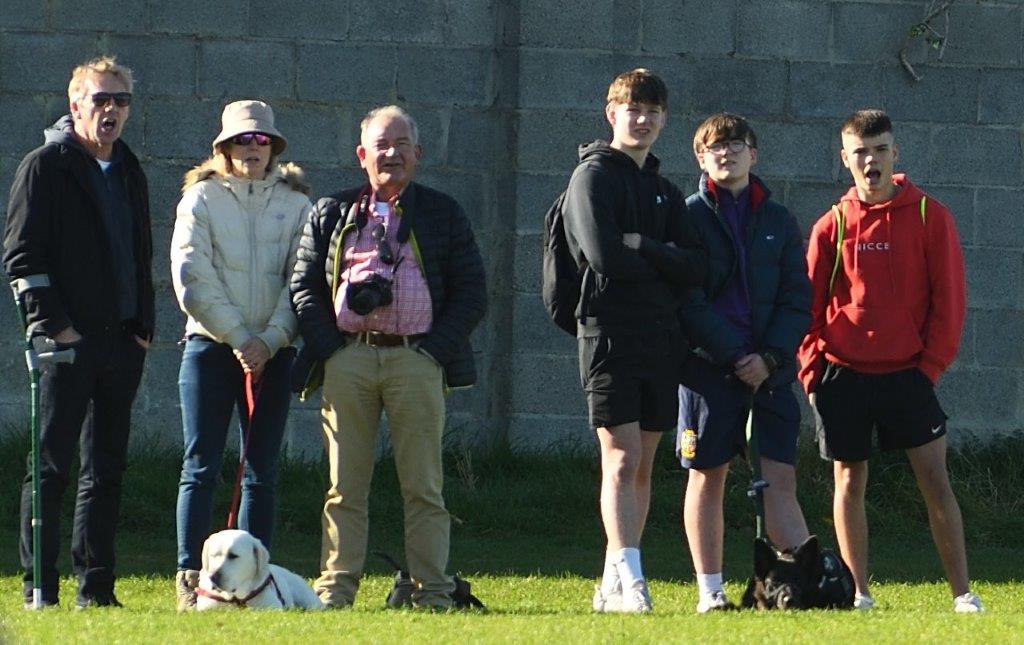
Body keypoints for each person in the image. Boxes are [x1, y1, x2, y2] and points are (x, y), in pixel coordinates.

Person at [290, 105, 486, 609]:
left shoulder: (443, 212)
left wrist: (433, 352)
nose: (391, 153)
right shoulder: (332, 211)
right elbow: (305, 286)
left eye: (402, 145)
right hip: (348, 357)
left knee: (423, 486)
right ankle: (335, 591)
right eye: (381, 144)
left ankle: (434, 592)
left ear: (418, 155)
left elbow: (472, 293)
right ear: (362, 155)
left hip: (414, 358)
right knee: (343, 487)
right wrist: (331, 350)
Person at [798, 109, 983, 613]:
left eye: (880, 149)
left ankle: (963, 594)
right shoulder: (831, 224)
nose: (870, 160)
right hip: (843, 374)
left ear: (895, 153)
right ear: (845, 159)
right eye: (860, 151)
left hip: (909, 375)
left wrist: (929, 369)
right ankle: (859, 594)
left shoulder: (929, 215)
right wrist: (813, 372)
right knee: (848, 481)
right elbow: (806, 309)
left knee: (935, 482)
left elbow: (950, 301)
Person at [3, 56, 154, 609]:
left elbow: (141, 255)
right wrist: (55, 328)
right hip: (64, 347)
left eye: (120, 100)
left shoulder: (131, 169)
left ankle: (97, 589)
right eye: (100, 99)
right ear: (75, 106)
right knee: (50, 466)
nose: (110, 110)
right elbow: (20, 257)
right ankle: (38, 587)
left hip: (122, 344)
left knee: (106, 470)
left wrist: (144, 328)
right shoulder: (46, 166)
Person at [561, 69, 706, 613]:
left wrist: (645, 245)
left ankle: (610, 583)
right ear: (611, 113)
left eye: (652, 111)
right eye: (632, 109)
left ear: (664, 119)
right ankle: (634, 581)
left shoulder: (666, 191)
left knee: (643, 464)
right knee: (619, 460)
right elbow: (602, 257)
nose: (641, 119)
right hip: (609, 336)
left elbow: (696, 267)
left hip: (660, 340)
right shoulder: (592, 178)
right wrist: (662, 262)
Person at [170, 100, 311, 611]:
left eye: (261, 140)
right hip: (210, 346)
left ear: (274, 146)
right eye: (242, 140)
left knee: (261, 470)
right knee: (200, 465)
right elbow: (191, 277)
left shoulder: (298, 206)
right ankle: (191, 581)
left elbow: (304, 280)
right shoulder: (201, 199)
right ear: (224, 147)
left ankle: (257, 584)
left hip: (274, 352)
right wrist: (237, 337)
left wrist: (270, 340)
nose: (253, 148)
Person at [675, 113, 812, 613]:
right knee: (707, 476)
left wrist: (771, 358)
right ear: (701, 158)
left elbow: (799, 299)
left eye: (737, 144)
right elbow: (686, 300)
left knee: (780, 478)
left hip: (771, 370)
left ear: (754, 154)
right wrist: (735, 356)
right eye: (715, 146)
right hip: (708, 369)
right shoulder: (686, 216)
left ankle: (800, 586)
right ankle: (710, 592)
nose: (726, 153)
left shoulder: (778, 220)